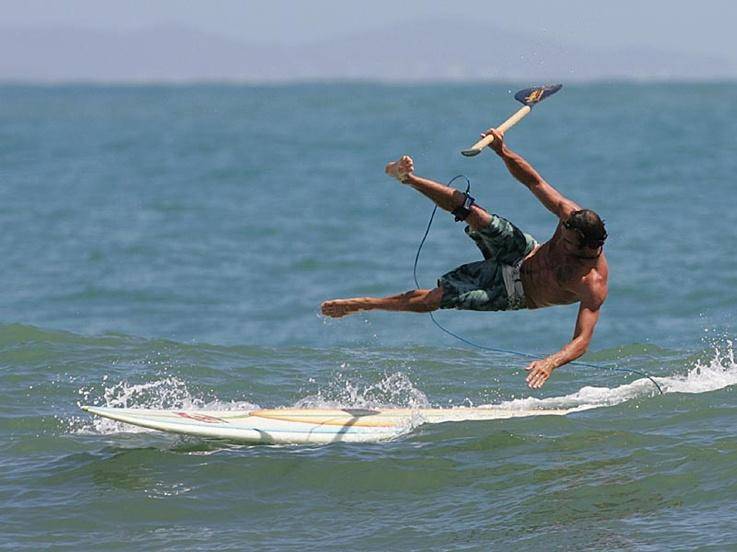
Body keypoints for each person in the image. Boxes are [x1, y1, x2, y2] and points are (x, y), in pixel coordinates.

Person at [321, 129, 608, 389]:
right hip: (523, 252)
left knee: (435, 298)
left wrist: (550, 362)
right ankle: (407, 178)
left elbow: (582, 340)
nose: (563, 240)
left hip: (514, 291)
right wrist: (502, 151)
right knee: (474, 213)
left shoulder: (591, 282)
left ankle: (365, 304)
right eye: (563, 235)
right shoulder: (570, 216)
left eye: (569, 242)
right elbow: (534, 182)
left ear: (587, 246)